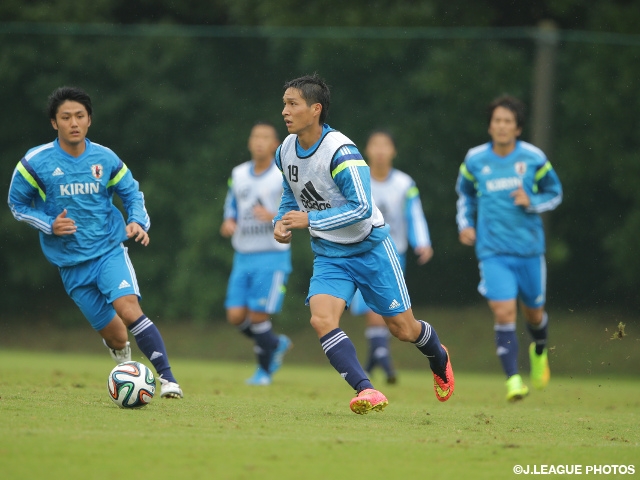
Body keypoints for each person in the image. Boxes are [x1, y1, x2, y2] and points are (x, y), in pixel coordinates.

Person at [273, 74, 454, 414]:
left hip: (370, 248)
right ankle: (367, 390)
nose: (285, 110)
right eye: (284, 103)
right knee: (321, 319)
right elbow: (289, 195)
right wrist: (279, 223)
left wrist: (309, 220)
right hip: (329, 254)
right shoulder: (284, 151)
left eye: (292, 104)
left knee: (403, 329)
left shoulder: (341, 151)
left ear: (315, 109)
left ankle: (438, 355)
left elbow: (362, 208)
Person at [7, 86, 182, 399]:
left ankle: (168, 381)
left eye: (80, 116)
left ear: (89, 120)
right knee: (116, 336)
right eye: (66, 117)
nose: (73, 122)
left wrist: (137, 222)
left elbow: (132, 193)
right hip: (71, 264)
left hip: (108, 250)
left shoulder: (106, 158)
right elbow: (17, 205)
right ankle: (124, 364)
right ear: (54, 123)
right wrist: (49, 224)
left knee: (129, 310)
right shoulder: (35, 162)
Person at [455, 95, 562, 402]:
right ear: (490, 126)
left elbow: (555, 192)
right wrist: (466, 224)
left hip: (529, 250)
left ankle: (539, 349)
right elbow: (465, 196)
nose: (502, 126)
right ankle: (513, 380)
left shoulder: (533, 158)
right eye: (497, 121)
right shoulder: (475, 159)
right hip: (493, 251)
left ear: (517, 128)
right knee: (504, 311)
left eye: (508, 122)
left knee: (534, 314)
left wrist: (533, 202)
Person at [350, 130, 433, 384]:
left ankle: (381, 361)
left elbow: (414, 215)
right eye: (375, 145)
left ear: (394, 151)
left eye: (385, 146)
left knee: (381, 311)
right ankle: (378, 359)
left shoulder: (404, 184)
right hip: (359, 251)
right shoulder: (358, 179)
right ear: (367, 149)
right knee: (372, 312)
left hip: (392, 254)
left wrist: (423, 242)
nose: (380, 151)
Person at [220, 122, 292, 386]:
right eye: (255, 137)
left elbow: (295, 207)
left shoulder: (281, 175)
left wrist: (274, 216)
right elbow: (232, 204)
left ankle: (264, 372)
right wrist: (229, 220)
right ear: (250, 142)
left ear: (275, 145)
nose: (260, 141)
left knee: (259, 316)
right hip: (243, 255)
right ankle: (275, 343)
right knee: (236, 316)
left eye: (266, 138)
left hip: (271, 255)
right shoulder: (238, 174)